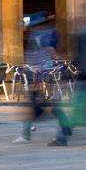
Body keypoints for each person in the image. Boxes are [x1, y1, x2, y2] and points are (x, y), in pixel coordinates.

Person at [17, 14, 59, 143]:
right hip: (39, 73)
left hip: (41, 75)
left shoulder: (40, 34)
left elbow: (49, 50)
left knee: (37, 105)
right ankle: (26, 133)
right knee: (37, 105)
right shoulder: (41, 34)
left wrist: (55, 62)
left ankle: (26, 134)